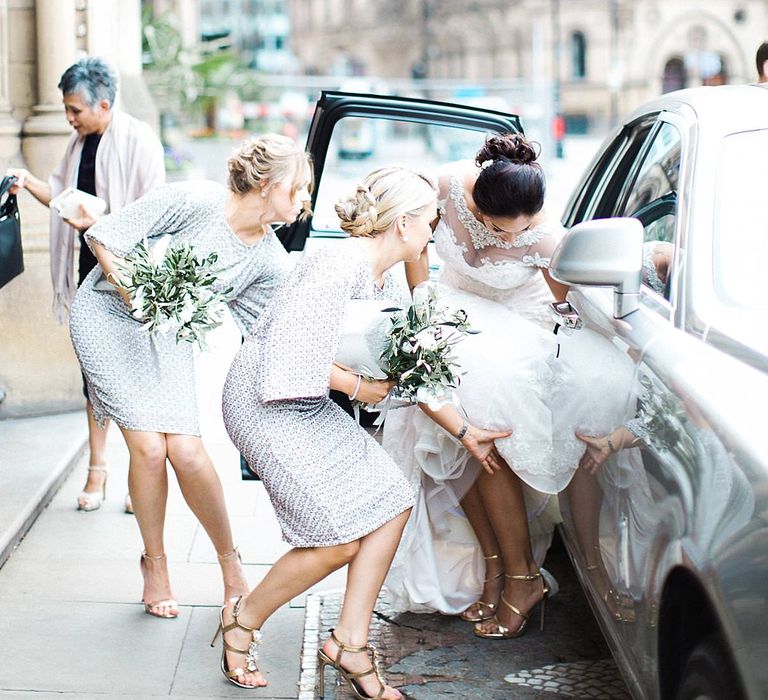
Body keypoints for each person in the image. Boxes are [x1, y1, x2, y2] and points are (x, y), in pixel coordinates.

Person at [218, 167, 508, 693]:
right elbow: (289, 350)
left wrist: (465, 430)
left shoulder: (385, 276)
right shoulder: (337, 264)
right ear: (402, 225)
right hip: (265, 401)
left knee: (392, 499)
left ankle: (349, 644)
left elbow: (411, 366)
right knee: (335, 541)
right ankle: (242, 619)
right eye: (429, 221)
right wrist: (360, 387)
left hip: (305, 401)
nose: (434, 232)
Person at [69, 133, 311, 618]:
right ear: (266, 184)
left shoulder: (268, 259)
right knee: (149, 447)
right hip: (106, 315)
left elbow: (282, 332)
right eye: (299, 188)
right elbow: (103, 236)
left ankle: (231, 565)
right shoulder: (193, 199)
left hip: (165, 335)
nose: (305, 201)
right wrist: (134, 292)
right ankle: (155, 565)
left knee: (187, 451)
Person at [383, 133, 586, 640]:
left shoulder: (545, 238)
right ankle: (496, 568)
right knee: (450, 432)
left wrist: (585, 356)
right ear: (477, 200)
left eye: (512, 232)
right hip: (450, 309)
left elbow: (564, 309)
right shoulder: (444, 186)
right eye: (494, 227)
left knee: (482, 424)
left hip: (517, 326)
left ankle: (521, 576)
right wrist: (421, 307)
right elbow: (417, 249)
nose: (499, 237)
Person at [6, 57, 165, 513]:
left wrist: (100, 220)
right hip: (86, 274)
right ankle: (98, 469)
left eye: (75, 110)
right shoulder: (78, 145)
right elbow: (62, 195)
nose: (69, 118)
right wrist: (28, 181)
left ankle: (140, 479)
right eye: (66, 109)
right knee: (92, 375)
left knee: (132, 379)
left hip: (127, 278)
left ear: (103, 103)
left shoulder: (140, 141)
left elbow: (153, 215)